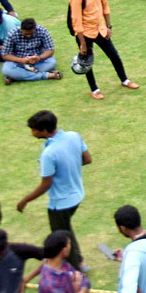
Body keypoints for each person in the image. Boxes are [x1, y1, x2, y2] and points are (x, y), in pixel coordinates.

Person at [17, 110, 91, 269]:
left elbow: (46, 184)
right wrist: (70, 167)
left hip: (60, 203)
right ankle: (80, 261)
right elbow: (87, 159)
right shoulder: (74, 136)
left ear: (44, 131)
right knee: (66, 228)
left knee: (61, 237)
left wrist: (25, 200)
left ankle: (76, 269)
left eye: (34, 129)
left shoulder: (48, 154)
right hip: (78, 194)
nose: (32, 132)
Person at [69, 0, 138, 99]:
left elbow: (105, 6)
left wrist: (108, 26)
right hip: (85, 34)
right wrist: (82, 44)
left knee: (114, 55)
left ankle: (124, 80)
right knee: (87, 63)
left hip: (100, 29)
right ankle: (94, 90)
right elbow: (76, 22)